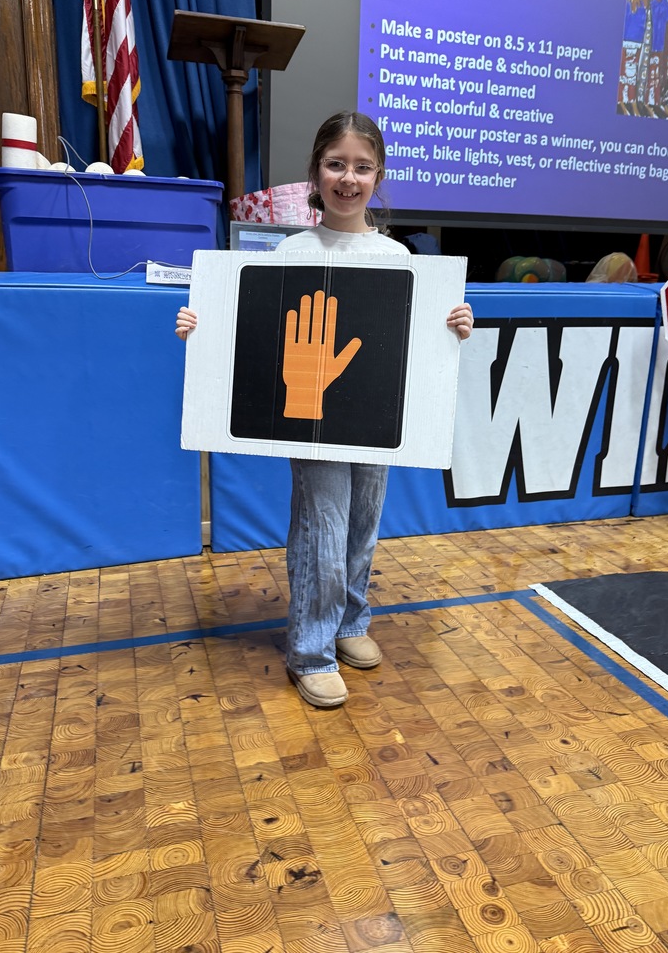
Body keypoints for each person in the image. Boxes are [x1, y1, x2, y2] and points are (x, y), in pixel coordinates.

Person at [176, 111, 473, 708]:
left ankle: (349, 624)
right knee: (322, 526)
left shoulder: (396, 257)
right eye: (336, 164)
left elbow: (414, 343)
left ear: (378, 176)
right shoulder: (292, 249)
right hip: (310, 413)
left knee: (362, 525)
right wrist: (200, 327)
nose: (348, 178)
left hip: (376, 415)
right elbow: (251, 325)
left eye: (362, 167)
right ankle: (310, 648)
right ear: (316, 171)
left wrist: (455, 326)